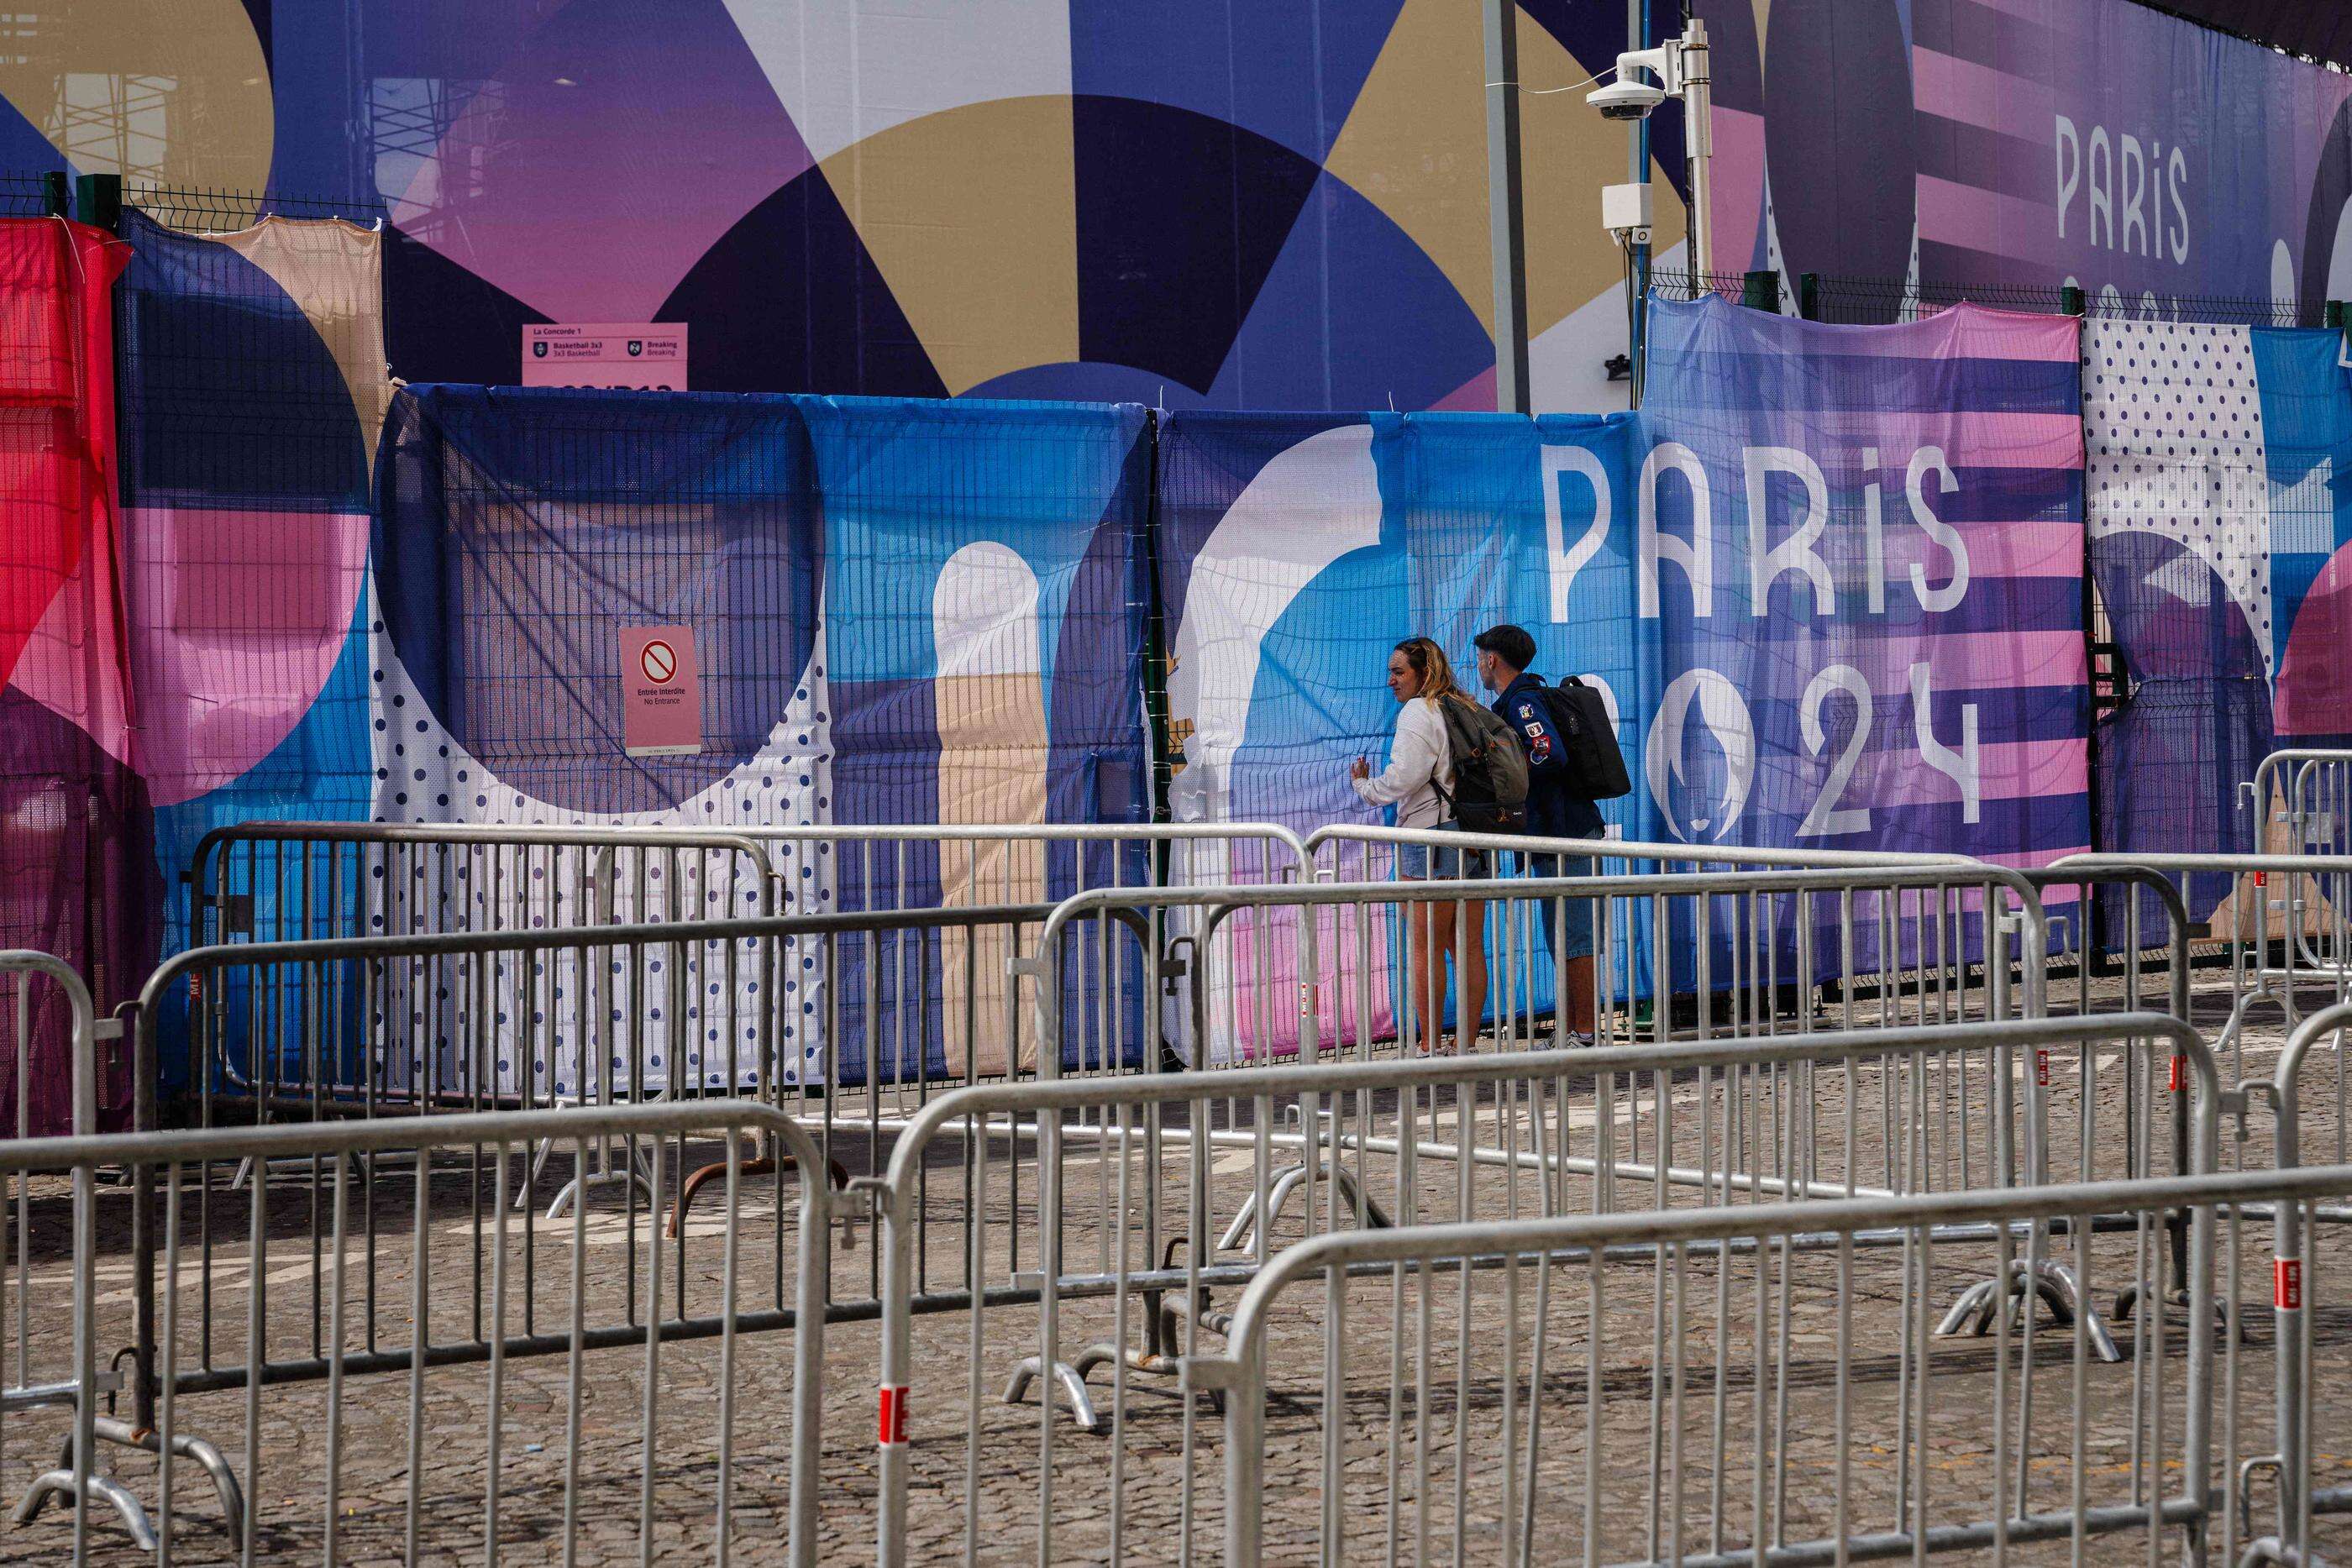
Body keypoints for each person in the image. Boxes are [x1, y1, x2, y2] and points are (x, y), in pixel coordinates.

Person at [1348, 637, 1488, 1056]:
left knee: (1425, 946)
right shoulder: (1463, 704)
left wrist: (1364, 786)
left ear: (1422, 674)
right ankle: (1463, 1043)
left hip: (1429, 835)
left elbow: (1403, 777)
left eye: (1398, 672)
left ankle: (1429, 1043)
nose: (1391, 680)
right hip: (1472, 833)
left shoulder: (1417, 712)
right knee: (1468, 945)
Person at [1473, 624, 1604, 1045]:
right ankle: (1572, 1029)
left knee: (1575, 934)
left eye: (1480, 658)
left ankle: (1583, 1032)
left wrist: (1510, 776)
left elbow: (1547, 752)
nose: (1478, 666)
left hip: (1564, 832)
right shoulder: (1515, 701)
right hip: (1551, 833)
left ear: (1492, 659)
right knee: (1561, 934)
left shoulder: (1523, 702)